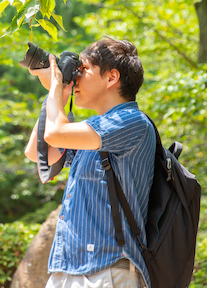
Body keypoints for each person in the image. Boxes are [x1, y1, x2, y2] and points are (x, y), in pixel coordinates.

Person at [24, 38, 155, 288]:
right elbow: (37, 151)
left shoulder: (132, 122)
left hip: (107, 270)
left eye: (82, 70)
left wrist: (55, 85)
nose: (76, 78)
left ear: (111, 77)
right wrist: (58, 94)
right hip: (67, 269)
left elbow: (55, 133)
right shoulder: (93, 130)